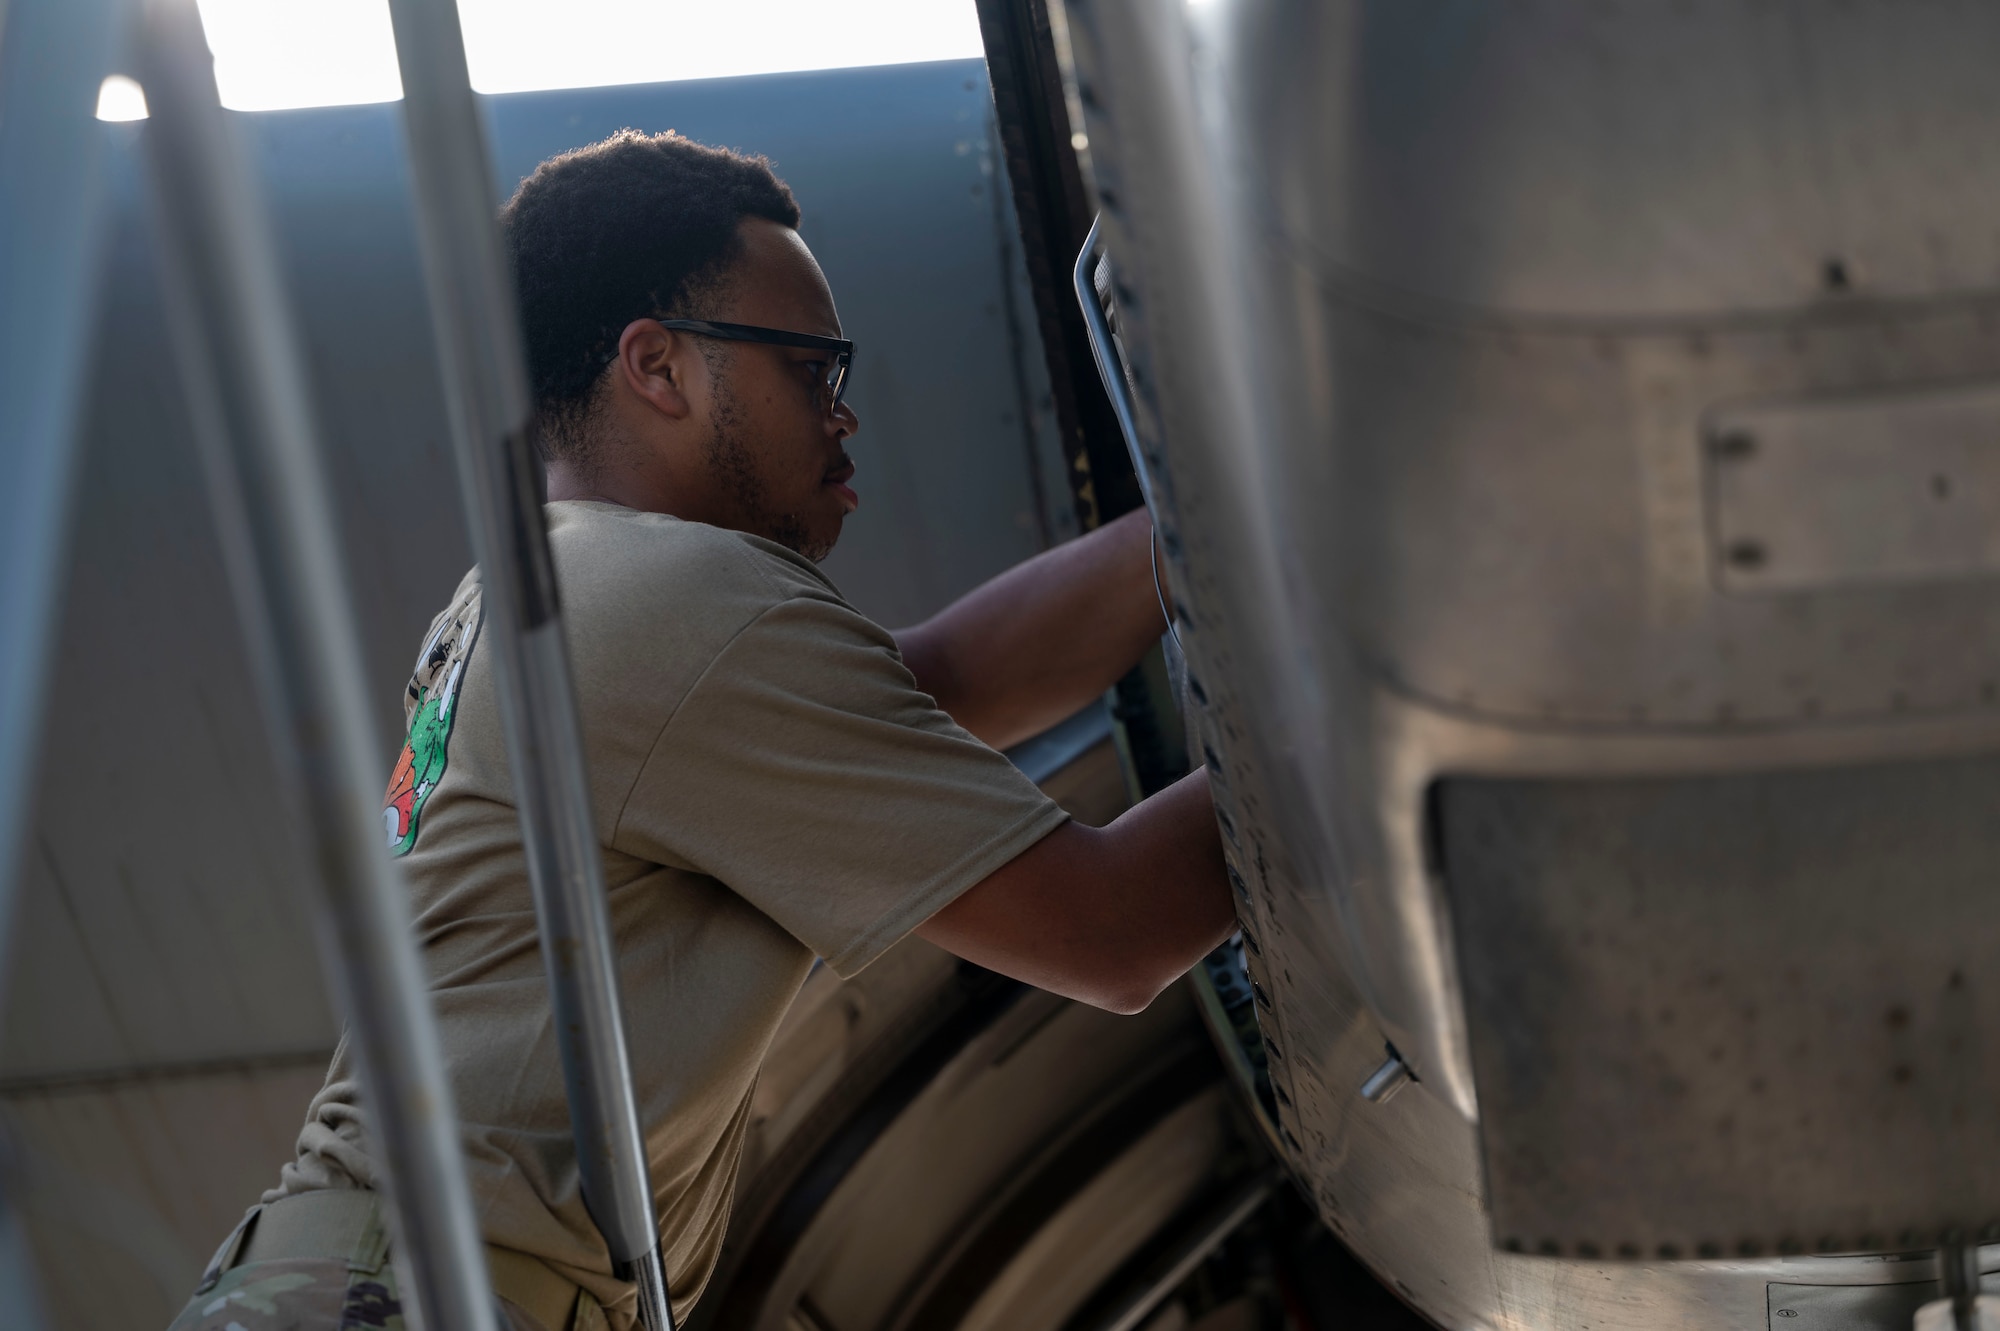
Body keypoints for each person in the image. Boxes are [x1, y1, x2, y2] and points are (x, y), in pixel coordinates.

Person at [169, 129, 1231, 1331]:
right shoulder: (669, 606)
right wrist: (1387, 681)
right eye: (809, 369)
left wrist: (1222, 537)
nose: (843, 418)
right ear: (657, 366)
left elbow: (925, 688)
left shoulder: (547, 590)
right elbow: (1110, 928)